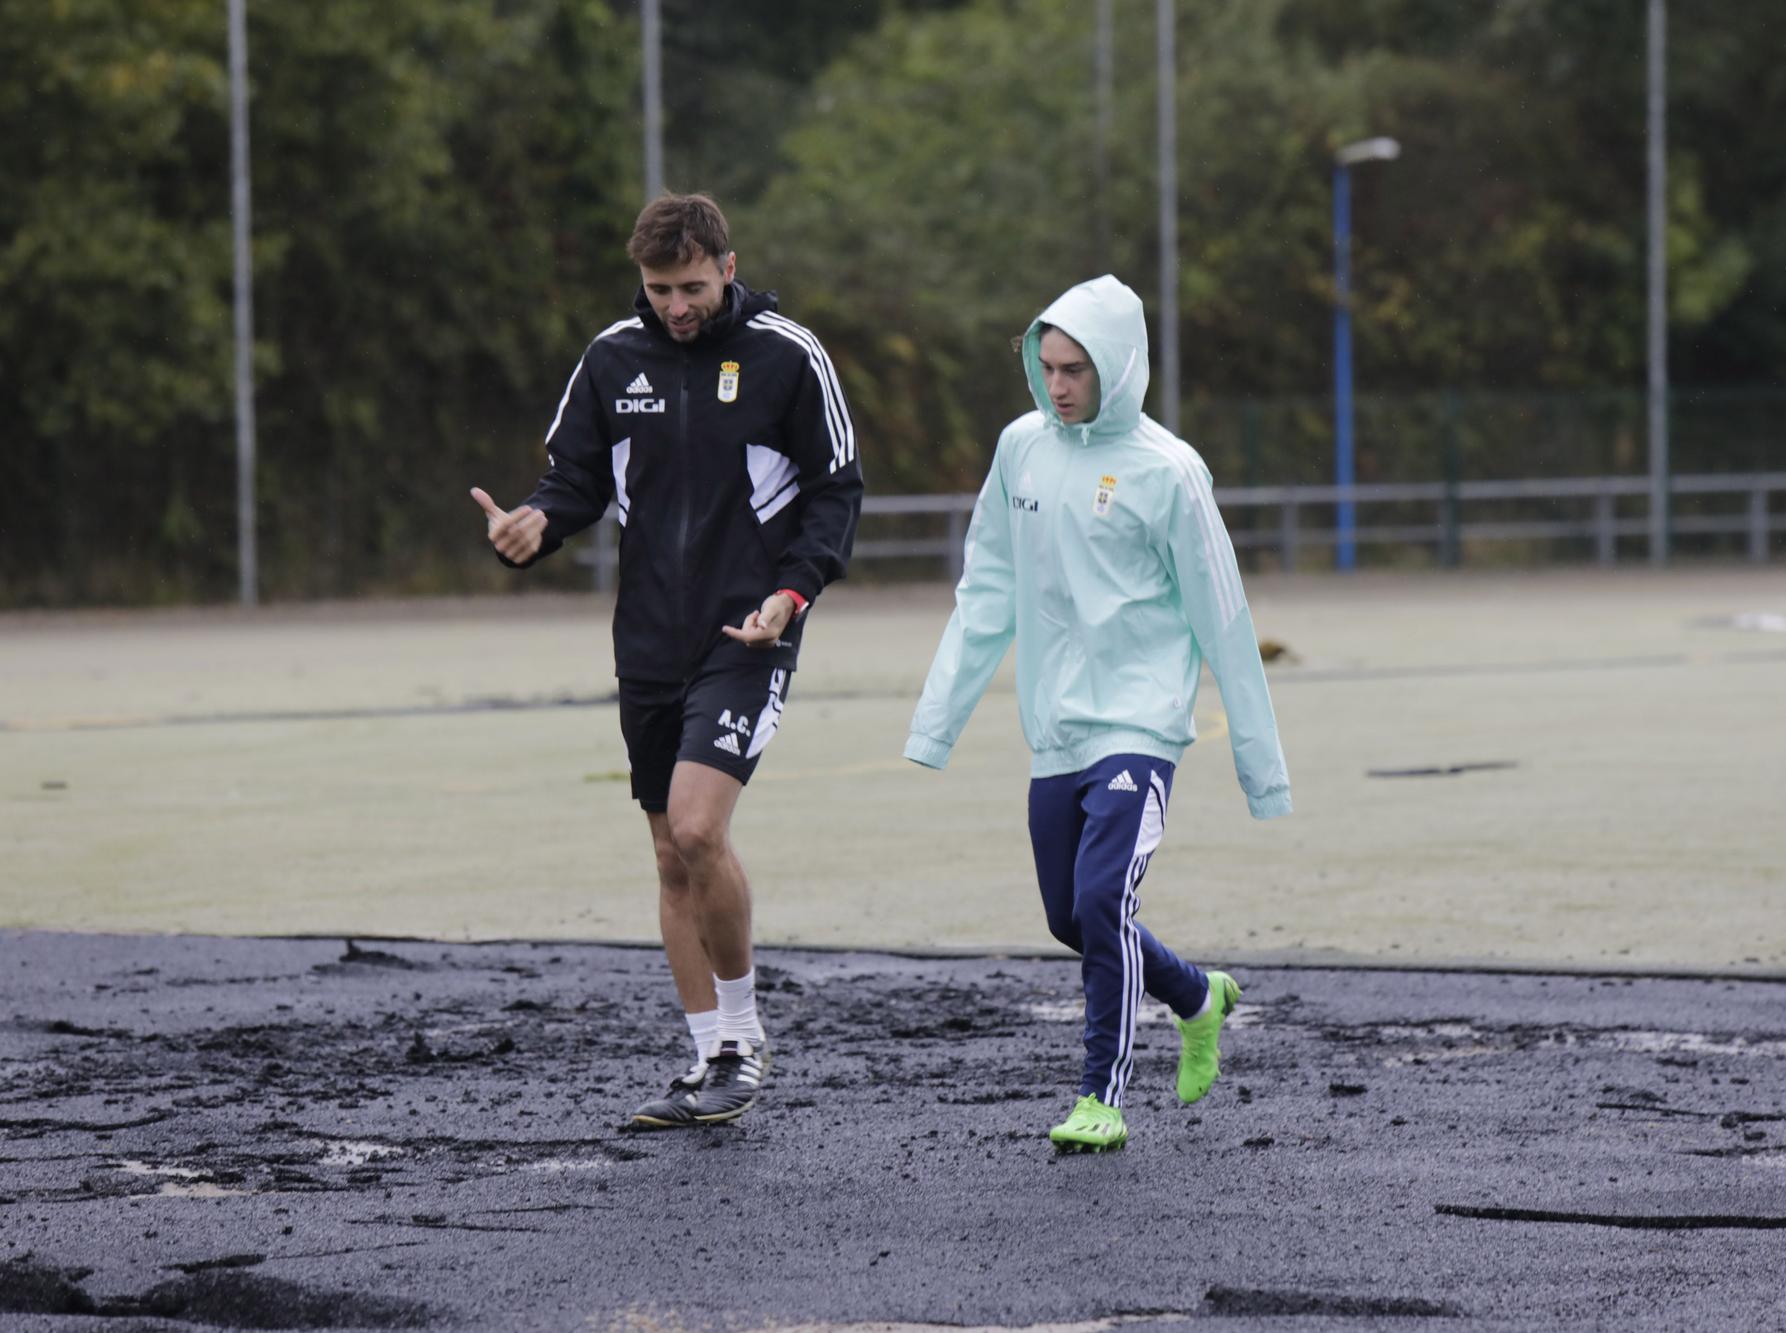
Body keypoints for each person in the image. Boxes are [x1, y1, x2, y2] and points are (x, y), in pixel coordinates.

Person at [472, 192, 862, 1128]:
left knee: (696, 828)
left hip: (749, 631)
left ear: (728, 268)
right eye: (658, 289)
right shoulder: (612, 357)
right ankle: (706, 1060)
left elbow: (837, 492)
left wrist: (792, 594)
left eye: (691, 286)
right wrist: (535, 525)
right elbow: (574, 479)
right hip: (648, 637)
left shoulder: (788, 356)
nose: (675, 306)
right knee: (665, 851)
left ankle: (743, 1038)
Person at [904, 275, 1290, 1154]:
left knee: (1102, 895)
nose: (1061, 385)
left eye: (1077, 368)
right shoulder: (1020, 449)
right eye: (1047, 367)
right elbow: (988, 587)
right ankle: (1197, 995)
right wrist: (938, 721)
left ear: (1118, 366)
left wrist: (1261, 770)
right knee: (1070, 917)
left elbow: (1224, 622)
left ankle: (1101, 1097)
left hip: (1140, 724)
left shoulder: (1171, 471)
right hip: (1057, 729)